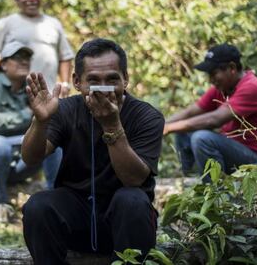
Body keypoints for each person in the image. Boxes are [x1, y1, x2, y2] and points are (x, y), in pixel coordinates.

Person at [21, 38, 165, 264]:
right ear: (77, 82)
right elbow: (31, 157)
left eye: (112, 79)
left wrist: (112, 125)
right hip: (76, 216)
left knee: (132, 200)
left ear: (125, 79)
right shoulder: (66, 109)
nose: (103, 88)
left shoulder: (147, 117)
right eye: (94, 81)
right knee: (38, 206)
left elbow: (134, 178)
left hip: (127, 222)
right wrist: (40, 121)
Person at [0, 41, 62, 223]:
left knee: (53, 143)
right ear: (3, 64)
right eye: (17, 58)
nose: (24, 61)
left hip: (15, 162)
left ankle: (55, 197)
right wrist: (27, 114)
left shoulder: (29, 88)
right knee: (0, 145)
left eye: (27, 58)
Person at [164, 43, 257, 179]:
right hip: (238, 152)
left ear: (231, 68)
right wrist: (161, 125)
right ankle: (192, 180)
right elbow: (191, 112)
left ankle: (216, 193)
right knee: (183, 131)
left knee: (201, 138)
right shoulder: (223, 88)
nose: (211, 80)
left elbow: (214, 120)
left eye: (214, 74)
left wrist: (168, 128)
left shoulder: (252, 87)